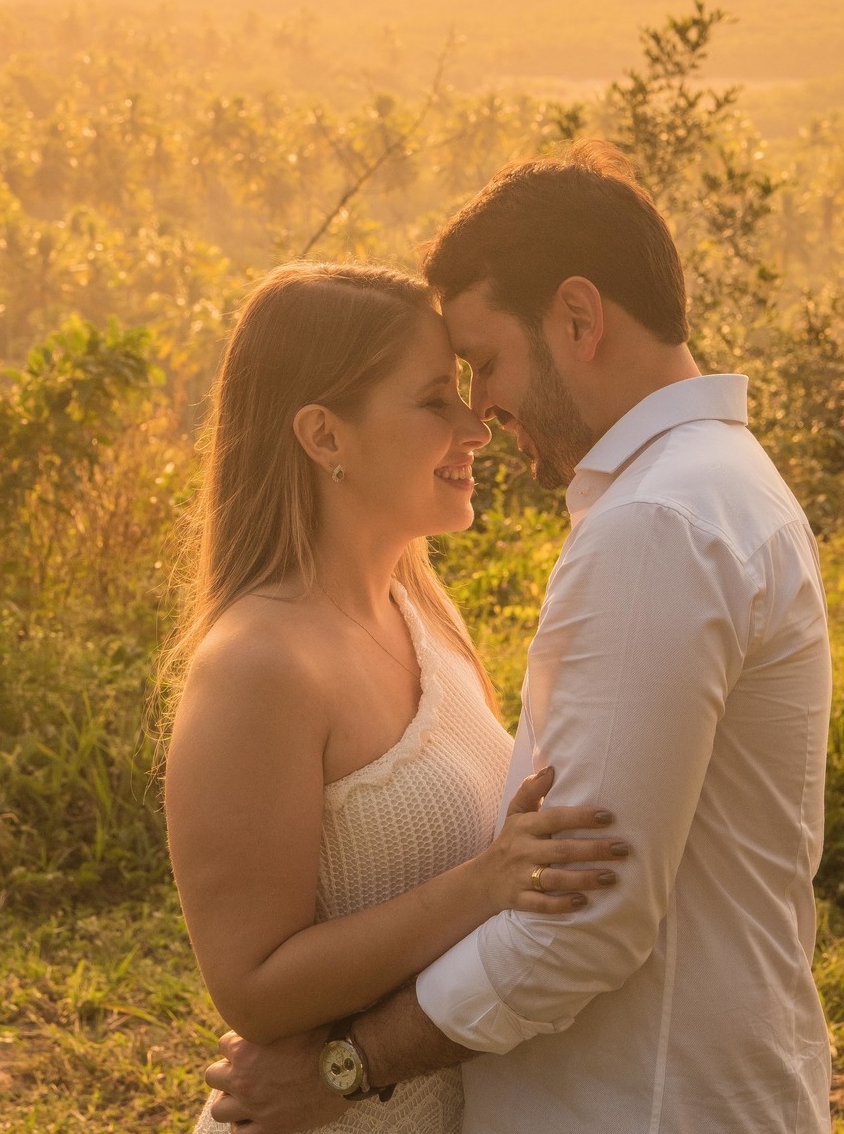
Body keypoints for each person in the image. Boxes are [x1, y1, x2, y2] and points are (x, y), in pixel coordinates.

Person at [205, 142, 833, 1134]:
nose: (481, 412)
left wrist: (348, 1064)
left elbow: (579, 925)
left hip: (643, 1104)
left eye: (484, 363)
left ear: (579, 319)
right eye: (445, 389)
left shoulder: (656, 526)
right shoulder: (715, 487)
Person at [164, 261, 630, 1133]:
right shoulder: (257, 669)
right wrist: (485, 882)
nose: (475, 427)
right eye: (432, 402)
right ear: (324, 437)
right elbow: (254, 989)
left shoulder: (422, 611)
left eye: (463, 392)